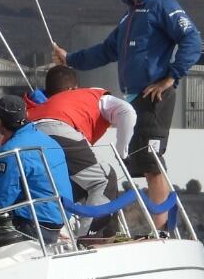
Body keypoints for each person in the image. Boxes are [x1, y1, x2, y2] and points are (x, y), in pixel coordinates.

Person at [52, 0, 200, 229]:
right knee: (142, 162)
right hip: (134, 98)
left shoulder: (163, 5)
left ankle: (162, 228)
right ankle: (161, 224)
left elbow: (191, 37)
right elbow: (107, 50)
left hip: (154, 96)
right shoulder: (129, 16)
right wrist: (70, 59)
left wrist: (171, 77)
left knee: (151, 160)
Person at [25, 64, 136, 210]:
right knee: (104, 179)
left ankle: (57, 230)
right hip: (60, 132)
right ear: (74, 88)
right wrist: (122, 152)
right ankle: (94, 232)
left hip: (26, 137)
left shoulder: (34, 105)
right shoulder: (90, 95)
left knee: (56, 189)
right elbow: (126, 111)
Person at [0, 95, 72, 245]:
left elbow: (1, 201)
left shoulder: (11, 151)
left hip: (35, 224)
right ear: (26, 115)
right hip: (59, 221)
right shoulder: (48, 141)